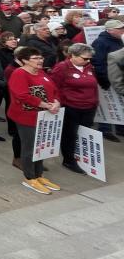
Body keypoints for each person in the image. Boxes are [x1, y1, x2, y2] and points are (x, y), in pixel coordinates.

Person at [7, 46, 63, 194]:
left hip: (45, 116)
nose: (40, 60)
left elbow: (54, 89)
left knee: (41, 147)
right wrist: (46, 105)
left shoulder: (41, 72)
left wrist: (56, 102)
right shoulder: (19, 74)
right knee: (30, 147)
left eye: (41, 57)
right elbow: (22, 95)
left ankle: (39, 175)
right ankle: (29, 177)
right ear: (25, 60)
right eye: (36, 58)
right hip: (27, 117)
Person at [50, 43, 99, 174]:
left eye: (90, 59)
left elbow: (93, 85)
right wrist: (58, 102)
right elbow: (54, 87)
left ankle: (82, 157)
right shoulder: (62, 68)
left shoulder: (89, 67)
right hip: (71, 107)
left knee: (84, 134)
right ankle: (69, 160)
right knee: (70, 135)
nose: (88, 61)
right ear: (73, 56)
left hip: (89, 107)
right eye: (85, 58)